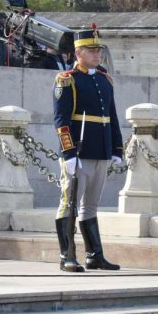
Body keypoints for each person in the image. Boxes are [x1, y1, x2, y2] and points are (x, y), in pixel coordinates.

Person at [53, 26, 125, 272]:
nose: (97, 55)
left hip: (101, 150)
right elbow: (61, 121)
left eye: (98, 50)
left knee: (90, 205)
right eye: (92, 51)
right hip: (79, 151)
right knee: (69, 204)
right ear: (79, 53)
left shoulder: (104, 79)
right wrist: (68, 153)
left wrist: (117, 148)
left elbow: (111, 116)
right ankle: (67, 256)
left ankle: (94, 255)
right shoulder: (68, 80)